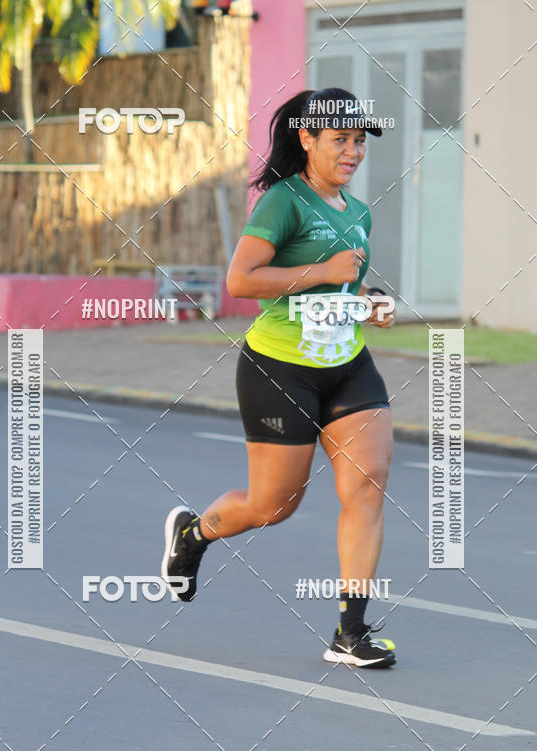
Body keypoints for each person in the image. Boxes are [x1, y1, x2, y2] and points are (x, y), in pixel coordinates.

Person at [161, 87, 397, 668]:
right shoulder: (282, 203)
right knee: (274, 506)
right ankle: (194, 533)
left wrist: (368, 302)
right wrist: (322, 269)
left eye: (359, 141)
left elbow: (333, 293)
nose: (352, 152)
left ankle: (350, 632)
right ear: (307, 138)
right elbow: (242, 282)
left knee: (367, 486)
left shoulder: (358, 212)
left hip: (347, 365)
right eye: (340, 139)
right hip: (279, 369)